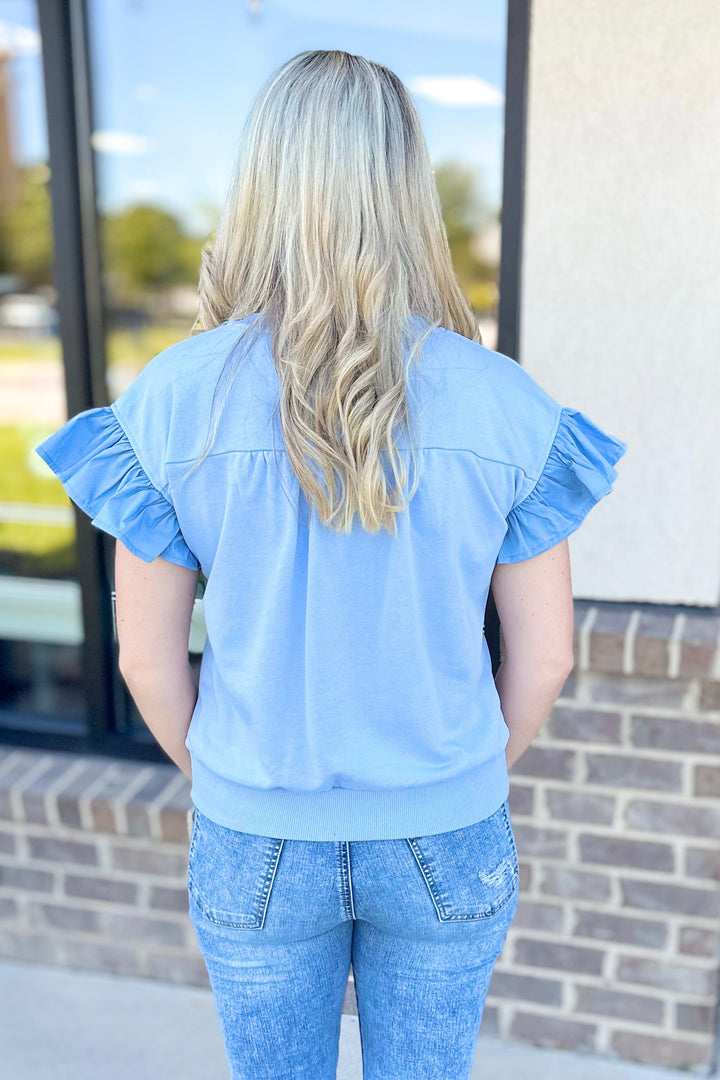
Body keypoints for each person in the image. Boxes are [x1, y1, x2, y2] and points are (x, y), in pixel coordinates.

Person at [35, 48, 627, 1080]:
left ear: (262, 182)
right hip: (447, 826)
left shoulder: (178, 399)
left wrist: (238, 787)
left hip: (256, 833)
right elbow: (547, 662)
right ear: (405, 191)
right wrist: (458, 779)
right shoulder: (501, 402)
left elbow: (143, 662)